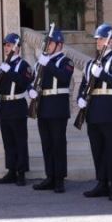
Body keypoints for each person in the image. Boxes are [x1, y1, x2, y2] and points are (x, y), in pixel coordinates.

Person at [79, 23, 112, 201]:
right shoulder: (91, 63)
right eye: (97, 39)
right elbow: (84, 84)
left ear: (110, 41)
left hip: (109, 108)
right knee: (97, 148)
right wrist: (80, 98)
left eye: (101, 38)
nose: (98, 42)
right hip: (93, 109)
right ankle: (102, 182)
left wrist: (103, 75)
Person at [0, 33, 34, 186]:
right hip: (4, 105)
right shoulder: (2, 65)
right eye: (6, 45)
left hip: (17, 104)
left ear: (17, 48)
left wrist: (9, 71)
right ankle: (11, 170)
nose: (7, 48)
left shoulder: (23, 65)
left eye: (10, 45)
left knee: (20, 140)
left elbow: (24, 82)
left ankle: (21, 173)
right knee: (8, 140)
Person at [30, 28, 74, 193]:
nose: (47, 46)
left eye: (51, 43)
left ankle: (59, 179)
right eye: (47, 43)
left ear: (59, 45)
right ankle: (50, 176)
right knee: (46, 144)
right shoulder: (41, 62)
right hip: (43, 106)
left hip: (58, 107)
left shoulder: (65, 61)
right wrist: (31, 90)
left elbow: (64, 77)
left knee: (58, 143)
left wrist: (46, 63)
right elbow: (33, 80)